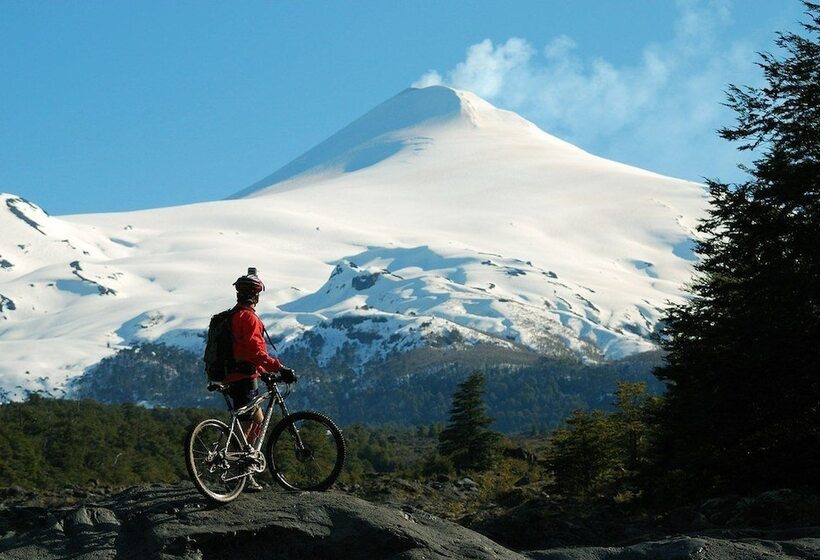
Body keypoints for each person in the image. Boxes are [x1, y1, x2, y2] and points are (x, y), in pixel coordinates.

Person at [226, 267, 296, 492]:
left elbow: (244, 351)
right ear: (255, 295)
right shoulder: (248, 318)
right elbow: (255, 352)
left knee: (257, 419)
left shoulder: (233, 315)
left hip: (234, 374)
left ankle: (239, 466)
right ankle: (238, 474)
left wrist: (263, 372)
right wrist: (280, 368)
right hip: (243, 378)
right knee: (246, 425)